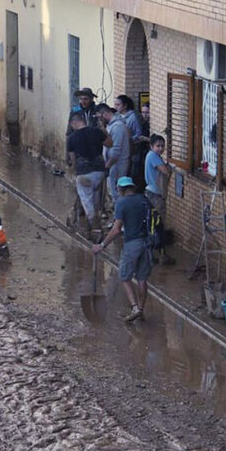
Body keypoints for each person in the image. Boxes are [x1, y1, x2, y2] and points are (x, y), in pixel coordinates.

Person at [92, 176, 152, 323]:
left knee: (125, 276)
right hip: (147, 243)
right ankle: (141, 311)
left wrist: (102, 245)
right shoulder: (144, 200)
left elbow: (116, 229)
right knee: (142, 279)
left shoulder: (122, 203)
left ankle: (135, 308)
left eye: (118, 189)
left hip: (132, 243)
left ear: (122, 189)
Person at [66, 111, 108, 240]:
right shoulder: (97, 131)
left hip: (84, 173)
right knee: (96, 201)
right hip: (100, 172)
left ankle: (97, 230)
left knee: (87, 203)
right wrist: (103, 129)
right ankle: (89, 228)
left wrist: (74, 171)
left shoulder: (71, 138)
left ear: (74, 123)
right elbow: (110, 143)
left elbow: (73, 160)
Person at [144, 134, 174, 265]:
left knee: (153, 224)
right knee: (157, 224)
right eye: (158, 146)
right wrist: (169, 167)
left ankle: (154, 254)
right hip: (155, 195)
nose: (161, 148)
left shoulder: (153, 156)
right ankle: (160, 255)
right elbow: (165, 171)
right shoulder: (153, 157)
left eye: (162, 146)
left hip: (152, 193)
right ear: (152, 146)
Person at [102, 102, 131, 207]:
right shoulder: (111, 126)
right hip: (113, 165)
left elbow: (116, 151)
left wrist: (107, 166)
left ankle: (119, 220)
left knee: (118, 194)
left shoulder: (117, 127)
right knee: (113, 194)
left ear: (104, 114)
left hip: (118, 165)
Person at [66, 87, 98, 165]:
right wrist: (68, 156)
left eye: (86, 99)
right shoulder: (75, 111)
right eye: (81, 99)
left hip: (94, 147)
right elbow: (69, 132)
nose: (83, 101)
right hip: (79, 147)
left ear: (91, 99)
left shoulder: (96, 110)